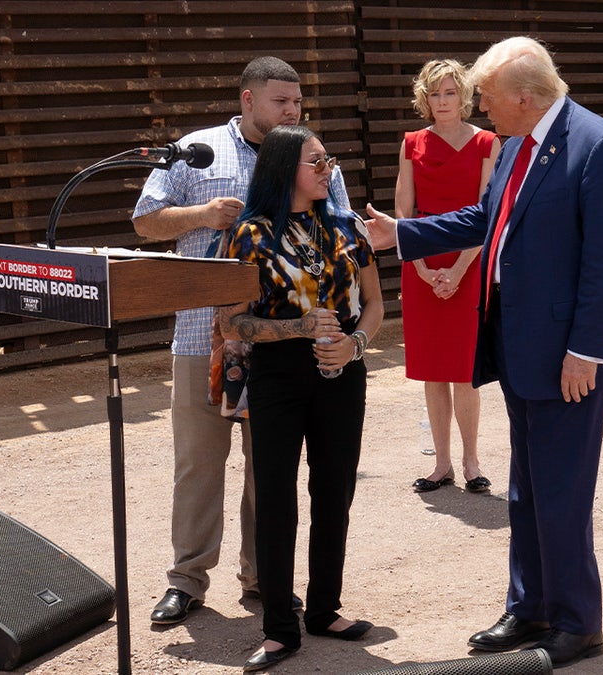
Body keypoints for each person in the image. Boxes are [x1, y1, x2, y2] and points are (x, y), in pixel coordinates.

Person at [365, 36, 603, 668]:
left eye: (485, 97)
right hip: (517, 345)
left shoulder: (597, 145)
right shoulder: (519, 143)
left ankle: (577, 623)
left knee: (562, 488)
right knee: (526, 487)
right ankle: (531, 607)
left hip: (568, 355)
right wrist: (401, 233)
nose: (479, 108)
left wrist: (586, 352)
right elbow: (485, 220)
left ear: (523, 95)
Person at [131, 56, 350, 626]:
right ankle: (187, 579)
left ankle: (262, 578)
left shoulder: (311, 155)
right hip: (201, 334)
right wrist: (202, 214)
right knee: (199, 462)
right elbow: (145, 220)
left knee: (269, 467)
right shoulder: (196, 150)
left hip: (284, 342)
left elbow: (342, 231)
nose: (292, 111)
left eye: (298, 103)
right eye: (282, 102)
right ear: (248, 99)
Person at [216, 125, 383, 672]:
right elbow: (232, 322)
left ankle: (324, 610)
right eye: (317, 160)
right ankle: (279, 630)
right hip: (279, 376)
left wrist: (354, 345)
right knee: (278, 500)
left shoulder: (346, 225)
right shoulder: (249, 234)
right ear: (286, 167)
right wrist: (300, 329)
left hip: (342, 371)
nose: (327, 167)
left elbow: (377, 305)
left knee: (334, 491)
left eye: (328, 158)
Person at [394, 59, 500, 494]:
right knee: (432, 371)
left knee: (463, 369)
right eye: (435, 93)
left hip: (469, 262)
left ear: (464, 97)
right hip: (420, 261)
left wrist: (457, 271)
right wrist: (420, 266)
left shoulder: (488, 143)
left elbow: (486, 212)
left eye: (450, 93)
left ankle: (472, 462)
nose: (442, 101)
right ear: (425, 98)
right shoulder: (411, 142)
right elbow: (403, 208)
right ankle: (441, 465)